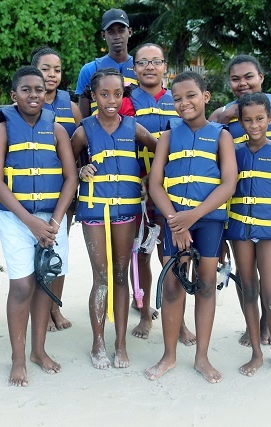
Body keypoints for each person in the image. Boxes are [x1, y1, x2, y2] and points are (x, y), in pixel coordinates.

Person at [209, 54, 271, 347]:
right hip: (239, 213)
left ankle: (267, 324)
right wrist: (222, 117)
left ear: (261, 77)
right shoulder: (226, 116)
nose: (243, 83)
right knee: (246, 276)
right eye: (236, 79)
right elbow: (210, 156)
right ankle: (254, 327)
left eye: (249, 76)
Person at [0, 66, 77, 386]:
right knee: (23, 285)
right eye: (26, 90)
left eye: (39, 89)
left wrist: (53, 221)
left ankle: (39, 350)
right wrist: (30, 222)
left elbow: (71, 177)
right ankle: (17, 357)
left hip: (52, 220)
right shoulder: (3, 129)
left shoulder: (56, 129)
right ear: (14, 95)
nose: (34, 95)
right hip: (17, 219)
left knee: (46, 283)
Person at [145, 71, 237, 383]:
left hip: (207, 221)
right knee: (173, 285)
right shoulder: (169, 136)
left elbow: (228, 183)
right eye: (178, 99)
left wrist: (193, 217)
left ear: (206, 97)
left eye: (191, 96)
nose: (184, 103)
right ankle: (169, 355)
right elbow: (155, 184)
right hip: (175, 221)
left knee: (206, 285)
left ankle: (202, 358)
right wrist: (175, 222)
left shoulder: (221, 135)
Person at [72, 68, 157, 370]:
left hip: (126, 210)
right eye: (104, 94)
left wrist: (149, 181)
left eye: (117, 94)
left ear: (123, 95)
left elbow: (159, 153)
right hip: (94, 209)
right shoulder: (83, 131)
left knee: (122, 275)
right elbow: (70, 163)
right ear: (93, 96)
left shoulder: (135, 128)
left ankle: (120, 343)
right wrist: (82, 170)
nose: (111, 100)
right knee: (102, 277)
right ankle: (98, 343)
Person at [118, 43, 195, 345]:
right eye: (142, 62)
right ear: (133, 68)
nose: (149, 67)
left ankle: (181, 320)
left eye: (155, 61)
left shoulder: (179, 101)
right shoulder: (124, 101)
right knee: (141, 253)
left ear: (165, 66)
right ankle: (145, 311)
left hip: (171, 189)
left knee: (175, 254)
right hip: (134, 186)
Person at [224, 93, 271, 376]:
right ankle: (256, 352)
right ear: (240, 122)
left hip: (269, 235)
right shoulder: (235, 152)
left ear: (269, 119)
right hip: (241, 232)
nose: (254, 125)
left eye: (259, 119)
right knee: (249, 290)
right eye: (247, 120)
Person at [31, 46, 82, 332]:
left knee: (59, 248)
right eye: (45, 68)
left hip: (64, 192)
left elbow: (80, 147)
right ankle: (37, 309)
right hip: (32, 192)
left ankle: (55, 308)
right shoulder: (22, 104)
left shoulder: (70, 107)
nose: (52, 74)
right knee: (35, 250)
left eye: (57, 70)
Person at [75, 8, 137, 118]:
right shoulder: (89, 69)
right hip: (98, 132)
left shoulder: (140, 68)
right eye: (111, 32)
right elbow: (83, 118)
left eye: (121, 30)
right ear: (103, 35)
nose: (117, 36)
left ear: (130, 32)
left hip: (133, 132)